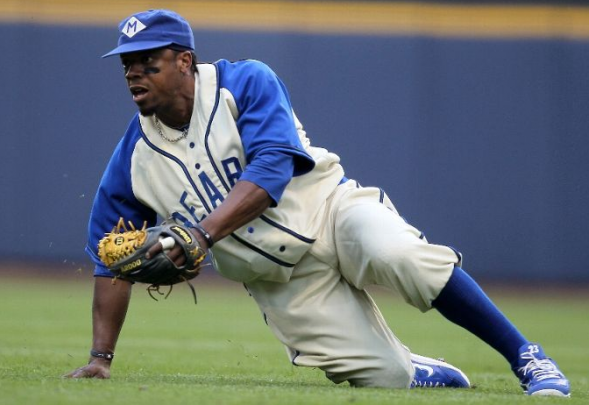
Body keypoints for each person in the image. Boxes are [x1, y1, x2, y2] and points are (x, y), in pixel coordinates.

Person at [65, 9, 569, 396]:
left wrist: (201, 234)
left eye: (147, 63)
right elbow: (109, 255)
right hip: (278, 281)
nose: (134, 75)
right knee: (386, 377)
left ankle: (527, 356)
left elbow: (271, 172)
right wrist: (100, 356)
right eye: (128, 66)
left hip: (332, 213)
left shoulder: (244, 82)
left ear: (184, 62)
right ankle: (413, 367)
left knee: (402, 255)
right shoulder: (134, 156)